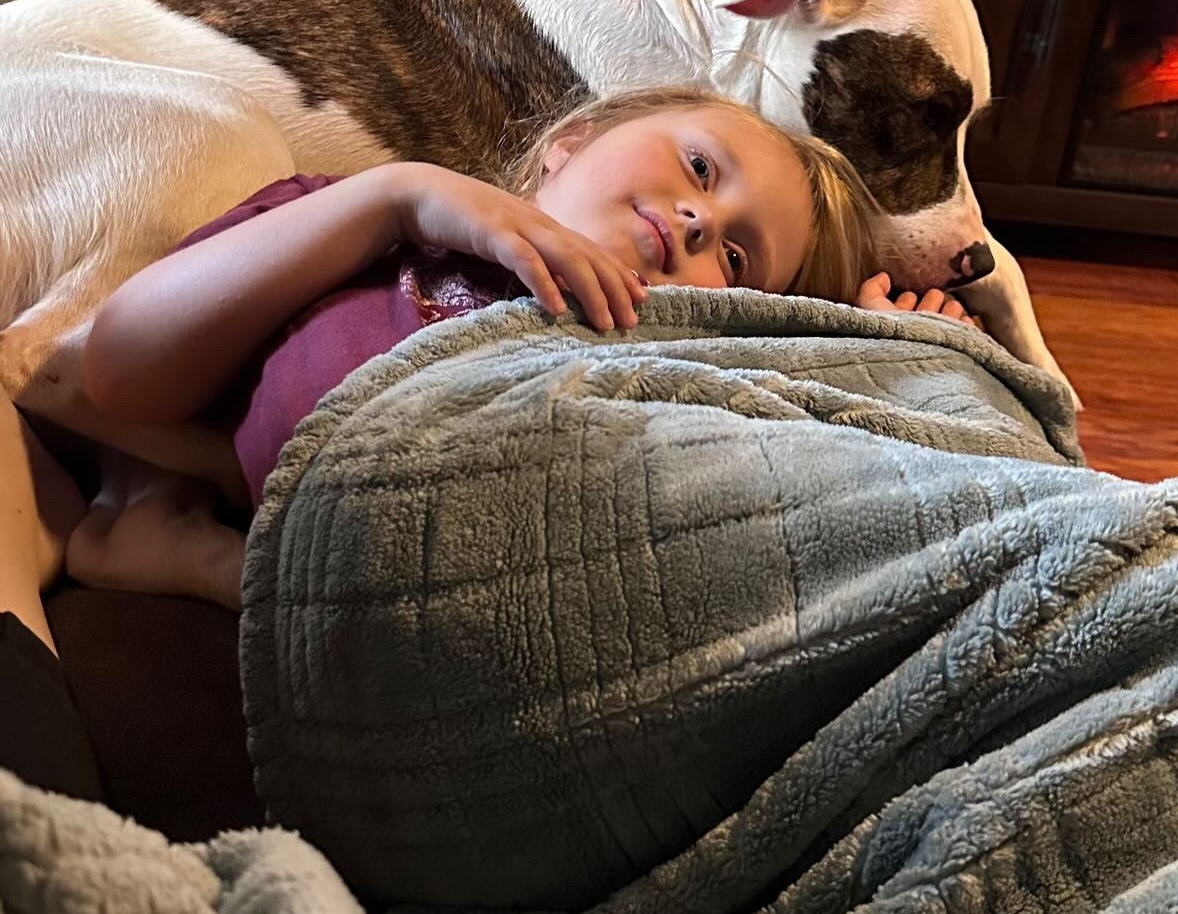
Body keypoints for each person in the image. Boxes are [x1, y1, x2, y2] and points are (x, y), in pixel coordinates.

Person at [19, 85, 977, 621]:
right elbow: (119, 368)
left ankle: (190, 549)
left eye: (734, 254)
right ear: (571, 141)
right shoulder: (361, 234)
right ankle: (195, 555)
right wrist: (392, 197)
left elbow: (784, 515)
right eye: (698, 167)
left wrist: (885, 359)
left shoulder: (663, 382)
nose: (695, 216)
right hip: (338, 535)